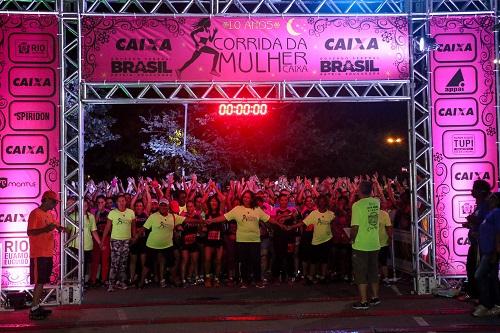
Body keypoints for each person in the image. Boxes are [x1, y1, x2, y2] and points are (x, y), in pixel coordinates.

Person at [206, 190, 281, 288]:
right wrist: (212, 220)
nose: (246, 199)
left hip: (255, 240)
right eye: (244, 197)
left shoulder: (257, 209)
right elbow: (224, 217)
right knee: (244, 262)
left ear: (252, 199)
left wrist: (279, 224)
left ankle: (257, 281)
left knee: (256, 261)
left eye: (248, 197)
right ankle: (244, 281)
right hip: (242, 240)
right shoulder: (237, 209)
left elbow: (268, 218)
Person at [138, 198, 201, 288]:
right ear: (159, 206)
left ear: (168, 207)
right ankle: (141, 282)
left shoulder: (173, 216)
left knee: (172, 263)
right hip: (152, 245)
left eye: (165, 205)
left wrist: (201, 221)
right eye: (161, 205)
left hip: (167, 245)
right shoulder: (153, 216)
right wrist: (135, 237)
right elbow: (143, 228)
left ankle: (174, 280)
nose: (163, 207)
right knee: (147, 265)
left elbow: (187, 220)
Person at [27, 191, 65, 320]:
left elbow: (54, 225)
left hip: (47, 253)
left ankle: (37, 306)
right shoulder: (35, 213)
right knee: (39, 282)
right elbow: (30, 232)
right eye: (54, 202)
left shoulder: (48, 214)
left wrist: (60, 228)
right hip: (38, 253)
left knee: (42, 281)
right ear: (47, 200)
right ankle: (33, 309)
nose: (55, 205)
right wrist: (45, 229)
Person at [290, 195, 335, 284]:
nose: (322, 203)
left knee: (324, 260)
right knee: (314, 260)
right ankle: (311, 276)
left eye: (323, 201)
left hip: (327, 239)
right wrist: (291, 227)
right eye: (320, 201)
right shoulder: (314, 213)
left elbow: (334, 225)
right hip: (316, 240)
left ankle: (323, 276)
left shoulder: (331, 214)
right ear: (318, 203)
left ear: (326, 202)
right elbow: (303, 223)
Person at [350, 181, 381, 310]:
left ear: (360, 190)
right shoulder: (376, 202)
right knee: (374, 271)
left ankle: (363, 301)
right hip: (374, 242)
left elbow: (355, 226)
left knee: (361, 273)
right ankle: (375, 297)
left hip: (361, 244)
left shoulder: (357, 205)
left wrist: (351, 239)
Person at [461, 179, 491, 302]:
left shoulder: (486, 206)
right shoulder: (479, 205)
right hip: (475, 243)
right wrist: (470, 224)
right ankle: (474, 294)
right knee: (471, 267)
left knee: (478, 270)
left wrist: (473, 222)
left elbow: (485, 223)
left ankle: (481, 297)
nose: (471, 191)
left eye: (474, 189)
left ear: (480, 191)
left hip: (481, 244)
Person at [472, 192, 500, 317]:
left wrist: (496, 252)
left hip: (491, 252)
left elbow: (498, 233)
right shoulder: (490, 213)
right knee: (491, 278)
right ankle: (492, 304)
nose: (488, 199)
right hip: (485, 250)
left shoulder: (497, 212)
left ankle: (488, 303)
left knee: (480, 275)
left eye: (492, 198)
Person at [102, 194, 136, 292]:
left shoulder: (131, 212)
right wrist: (103, 240)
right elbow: (107, 227)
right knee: (114, 263)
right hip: (115, 240)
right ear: (116, 202)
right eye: (119, 201)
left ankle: (122, 282)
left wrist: (134, 237)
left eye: (123, 200)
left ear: (126, 202)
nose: (122, 202)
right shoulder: (112, 213)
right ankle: (111, 284)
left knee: (123, 263)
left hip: (126, 240)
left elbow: (133, 227)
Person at [89, 195, 110, 287]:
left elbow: (110, 226)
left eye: (102, 202)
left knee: (105, 259)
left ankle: (104, 279)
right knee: (95, 259)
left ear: (105, 203)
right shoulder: (93, 212)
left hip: (106, 237)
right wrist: (98, 212)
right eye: (99, 202)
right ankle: (93, 279)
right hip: (96, 237)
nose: (100, 204)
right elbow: (94, 224)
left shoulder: (109, 212)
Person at [378, 205, 393, 285]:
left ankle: (386, 278)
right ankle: (377, 276)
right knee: (375, 261)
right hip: (372, 241)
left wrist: (390, 237)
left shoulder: (384, 214)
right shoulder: (368, 213)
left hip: (383, 241)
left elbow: (389, 227)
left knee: (383, 261)